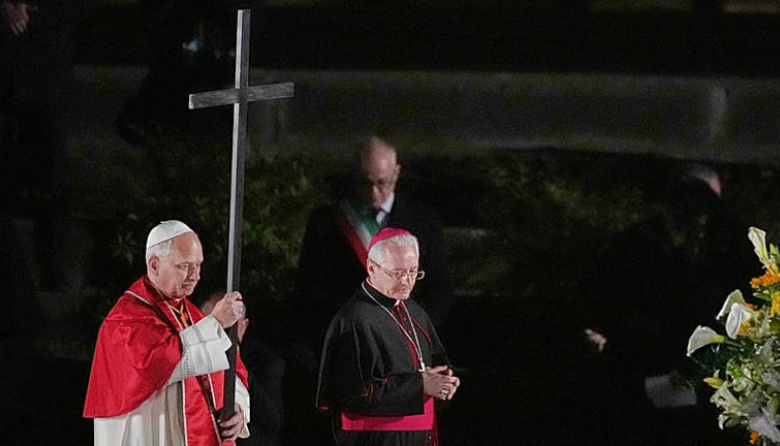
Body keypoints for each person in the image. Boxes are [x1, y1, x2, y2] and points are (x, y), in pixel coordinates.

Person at [83, 220, 252, 446]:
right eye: (184, 266)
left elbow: (232, 370)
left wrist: (238, 408)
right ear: (154, 265)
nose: (195, 276)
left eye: (198, 265)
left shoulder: (192, 315)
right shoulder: (125, 321)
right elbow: (161, 366)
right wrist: (216, 323)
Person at [315, 228, 460, 446]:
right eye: (397, 273)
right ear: (372, 268)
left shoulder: (414, 310)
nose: (407, 281)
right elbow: (354, 395)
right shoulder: (355, 320)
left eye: (413, 272)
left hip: (420, 434)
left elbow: (434, 360)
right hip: (376, 438)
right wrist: (420, 386)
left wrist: (444, 381)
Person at [297, 136, 453, 333]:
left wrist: (414, 330)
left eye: (382, 183)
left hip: (406, 338)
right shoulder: (327, 222)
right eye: (365, 182)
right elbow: (310, 287)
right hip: (347, 337)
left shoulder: (424, 223)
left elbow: (440, 289)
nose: (373, 193)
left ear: (396, 173)